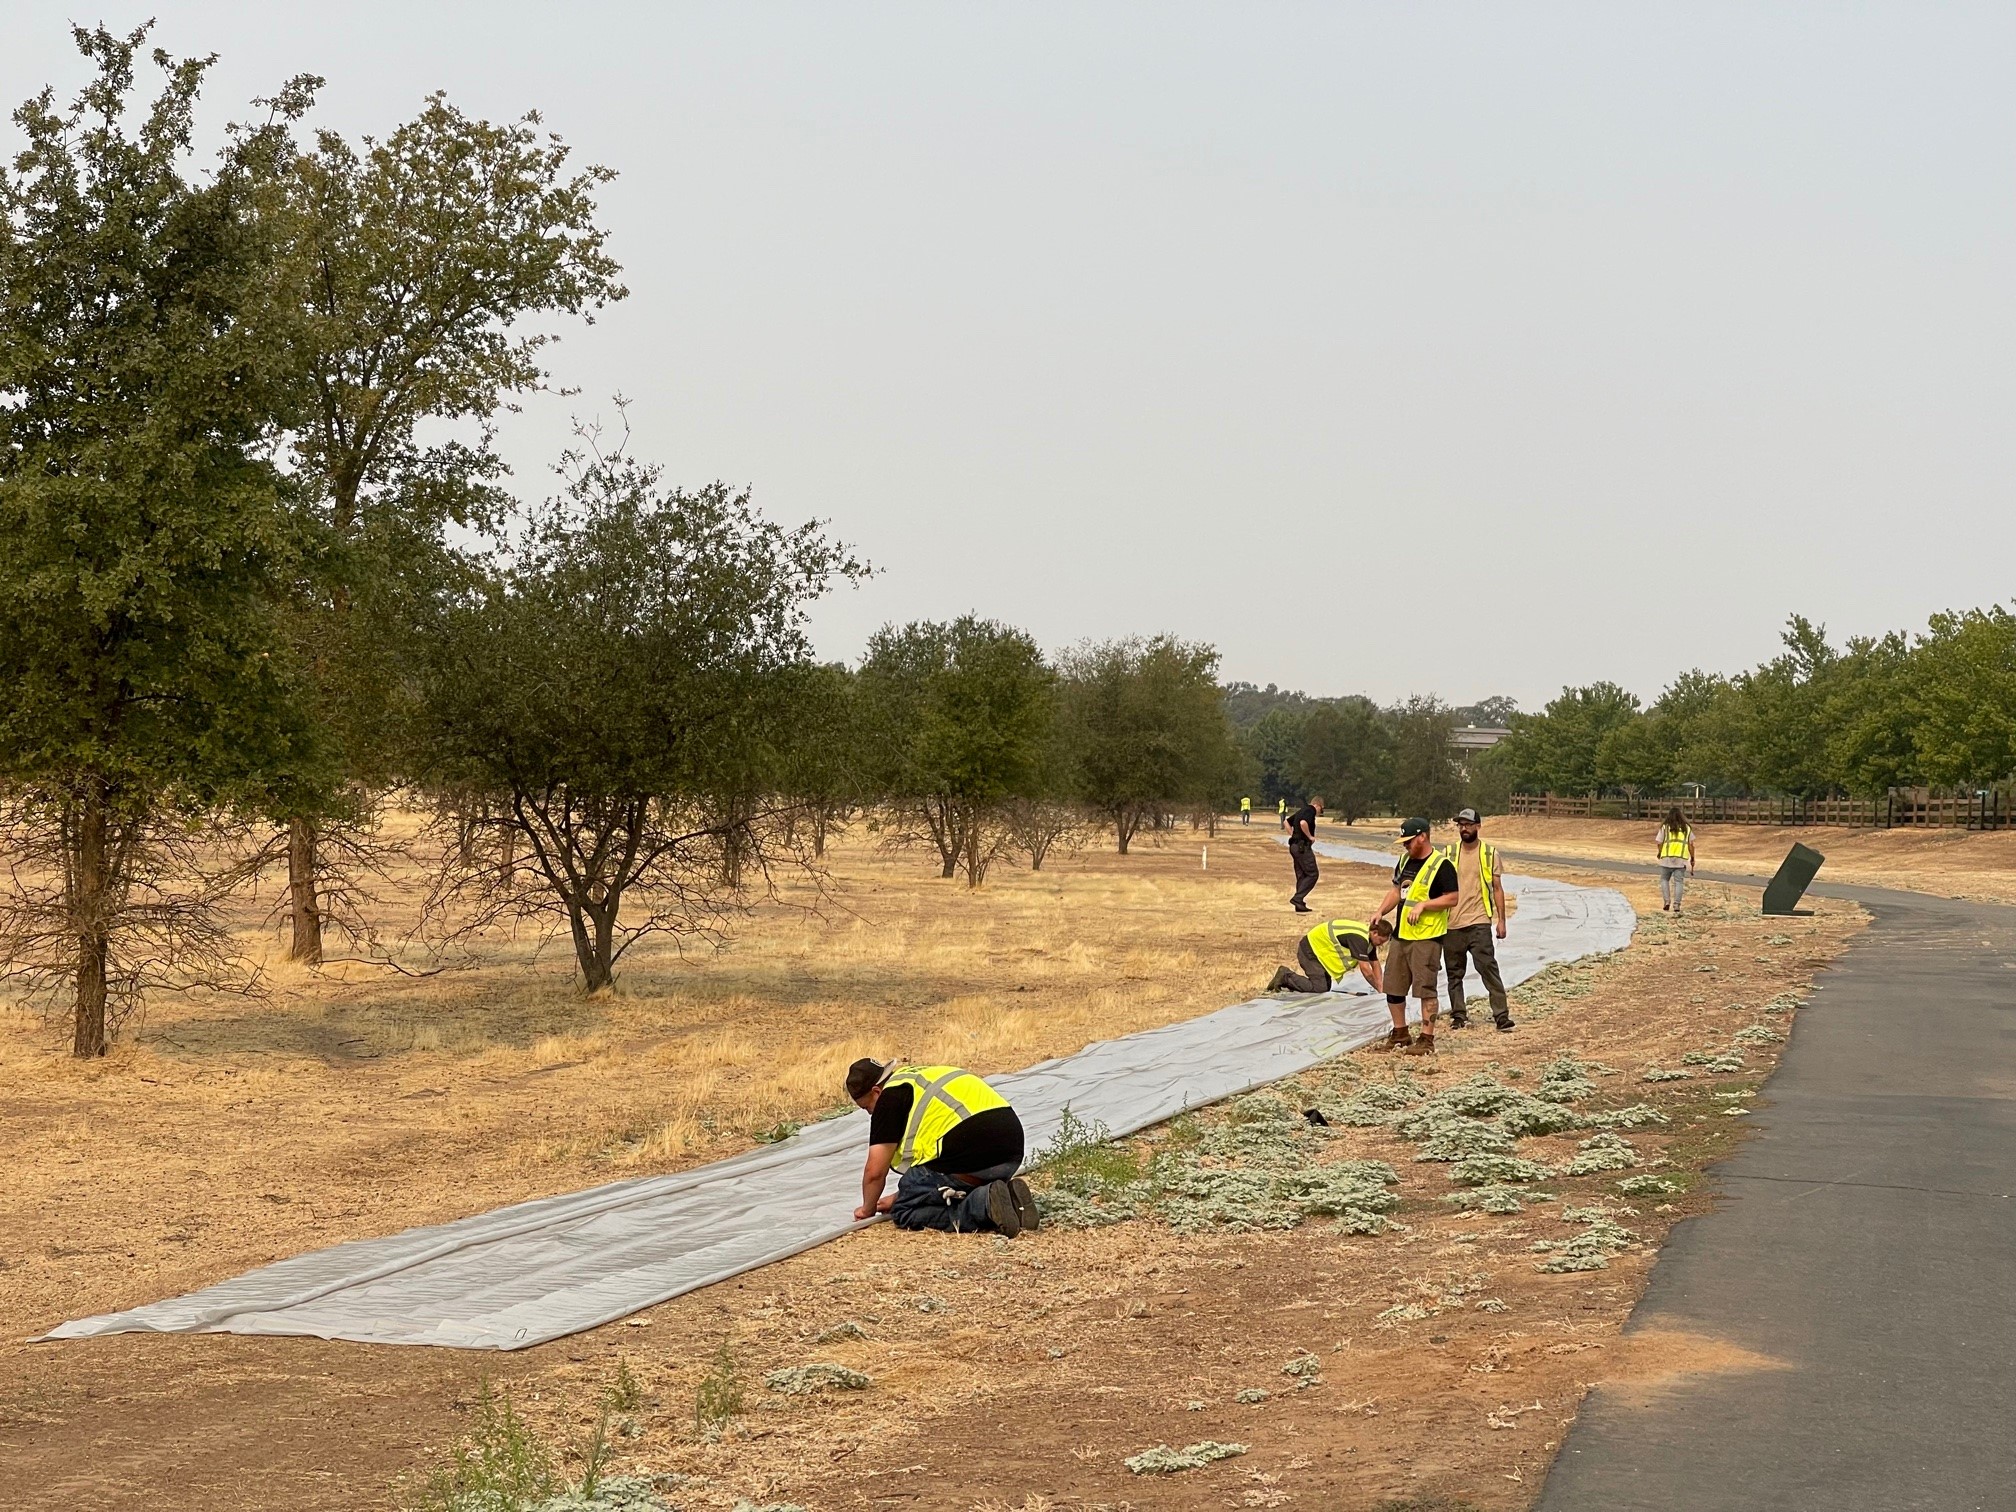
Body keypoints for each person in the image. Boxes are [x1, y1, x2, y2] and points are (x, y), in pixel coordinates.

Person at [845, 1058, 1039, 1236]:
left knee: (904, 1209)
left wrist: (868, 1209)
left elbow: (875, 1172)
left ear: (876, 1092)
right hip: (1011, 1152)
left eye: (867, 1107)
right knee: (913, 1192)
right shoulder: (919, 1077)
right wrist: (902, 1195)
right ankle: (1011, 1201)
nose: (871, 1113)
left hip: (971, 1155)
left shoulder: (888, 1098)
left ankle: (985, 1205)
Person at [1368, 817, 1460, 1054]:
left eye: (1409, 841)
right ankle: (1400, 1033)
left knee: (1425, 989)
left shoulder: (1442, 865)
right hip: (1401, 935)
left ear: (1423, 837)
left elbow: (1452, 898)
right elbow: (1396, 891)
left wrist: (1424, 905)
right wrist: (1380, 911)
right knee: (1393, 987)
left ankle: (1426, 1039)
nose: (1405, 846)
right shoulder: (1404, 861)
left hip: (1427, 937)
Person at [1442, 807, 1515, 1033]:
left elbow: (1497, 888)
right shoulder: (1448, 853)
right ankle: (1458, 1015)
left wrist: (1501, 921)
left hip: (1479, 921)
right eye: (1461, 825)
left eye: (1468, 824)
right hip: (1452, 923)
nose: (1464, 828)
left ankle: (1501, 1016)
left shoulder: (1490, 854)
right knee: (1454, 973)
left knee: (1488, 968)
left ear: (1478, 826)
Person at [1266, 915, 1391, 994]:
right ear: (1374, 933)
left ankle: (1290, 982)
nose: (1380, 945)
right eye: (1380, 941)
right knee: (1319, 988)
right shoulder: (1359, 939)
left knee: (1324, 987)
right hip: (1310, 951)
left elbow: (1375, 964)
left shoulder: (1368, 938)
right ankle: (1285, 976)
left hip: (1318, 953)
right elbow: (1366, 970)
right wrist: (1378, 988)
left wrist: (1381, 987)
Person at [1286, 795, 1324, 911]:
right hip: (1302, 847)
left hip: (1294, 846)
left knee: (1302, 875)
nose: (1319, 813)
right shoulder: (1310, 810)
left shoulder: (1301, 811)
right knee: (1313, 874)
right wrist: (1310, 836)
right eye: (1321, 810)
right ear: (1318, 805)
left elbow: (1286, 822)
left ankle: (1299, 904)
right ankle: (1297, 898)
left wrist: (1293, 835)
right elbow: (1303, 823)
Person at [1656, 807, 1696, 913]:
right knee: (1679, 882)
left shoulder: (1664, 827)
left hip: (1666, 858)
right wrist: (1692, 858)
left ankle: (1666, 902)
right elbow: (1691, 845)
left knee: (1664, 880)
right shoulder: (1686, 828)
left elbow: (1659, 843)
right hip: (1680, 860)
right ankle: (1677, 904)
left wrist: (1660, 853)